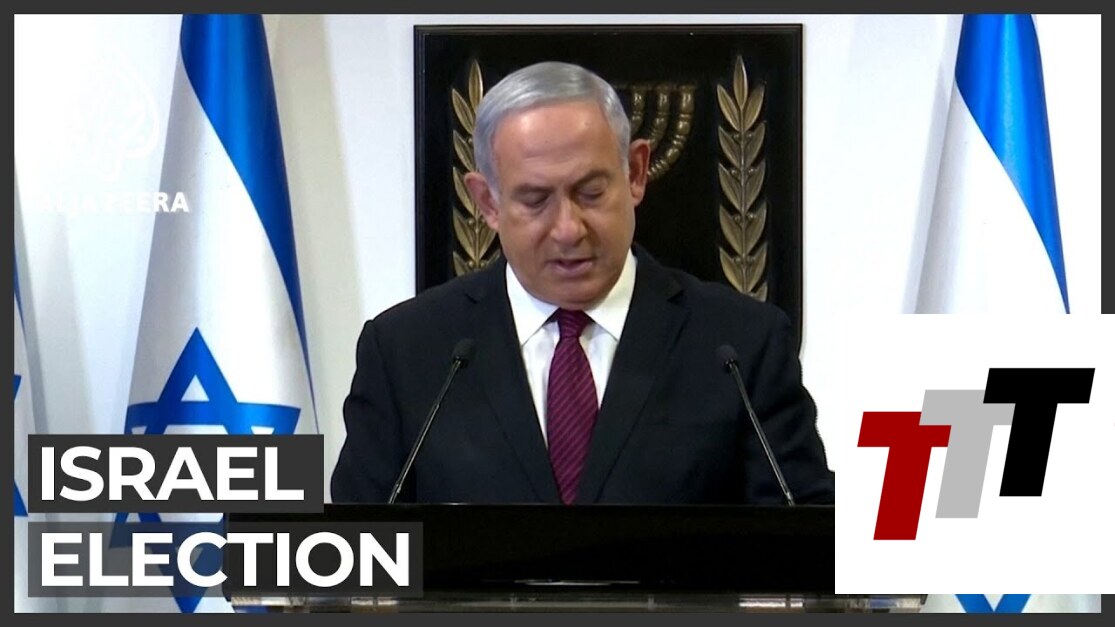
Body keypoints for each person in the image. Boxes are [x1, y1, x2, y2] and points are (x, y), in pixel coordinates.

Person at [331, 61, 834, 505]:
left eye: (591, 192)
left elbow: (810, 541)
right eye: (535, 200)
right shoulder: (406, 352)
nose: (568, 229)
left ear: (635, 173)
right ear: (487, 202)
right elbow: (358, 555)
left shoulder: (741, 345)